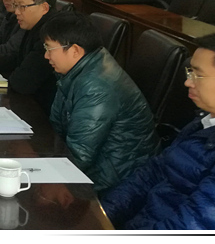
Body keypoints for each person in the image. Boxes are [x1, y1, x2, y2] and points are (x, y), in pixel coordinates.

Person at [100, 31, 215, 230]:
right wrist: (103, 215)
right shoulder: (203, 121)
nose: (188, 82)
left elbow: (192, 227)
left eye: (198, 74)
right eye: (190, 73)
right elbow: (152, 173)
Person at [41, 12, 159, 194]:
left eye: (49, 49)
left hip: (118, 179)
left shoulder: (96, 86)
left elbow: (79, 156)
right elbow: (56, 126)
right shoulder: (78, 69)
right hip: (100, 166)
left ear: (74, 50)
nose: (46, 56)